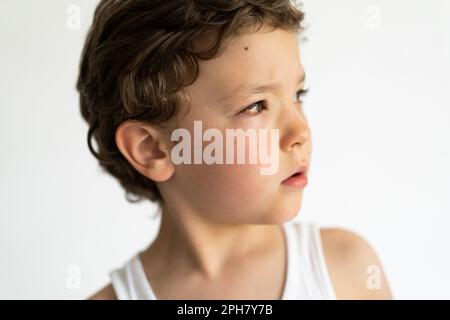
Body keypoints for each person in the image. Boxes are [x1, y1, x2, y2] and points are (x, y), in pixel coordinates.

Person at [76, 0, 392, 300]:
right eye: (256, 106)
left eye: (298, 94)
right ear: (153, 149)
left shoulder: (347, 271)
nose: (301, 131)